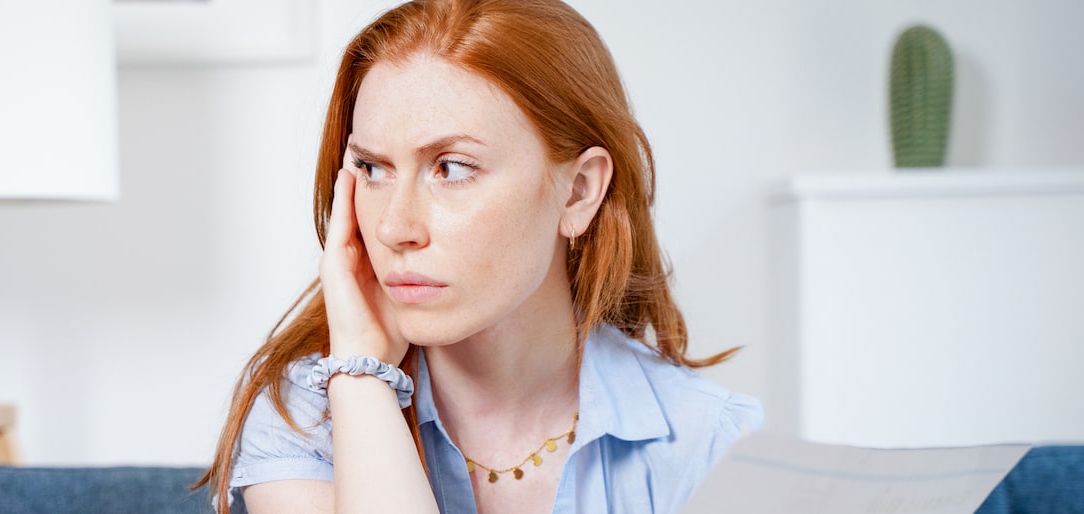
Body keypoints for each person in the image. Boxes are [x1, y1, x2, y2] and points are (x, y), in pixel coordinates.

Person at [195, 0, 762, 512]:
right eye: (372, 169)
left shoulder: (709, 445)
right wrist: (362, 375)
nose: (394, 227)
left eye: (452, 168)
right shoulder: (306, 413)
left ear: (579, 191)